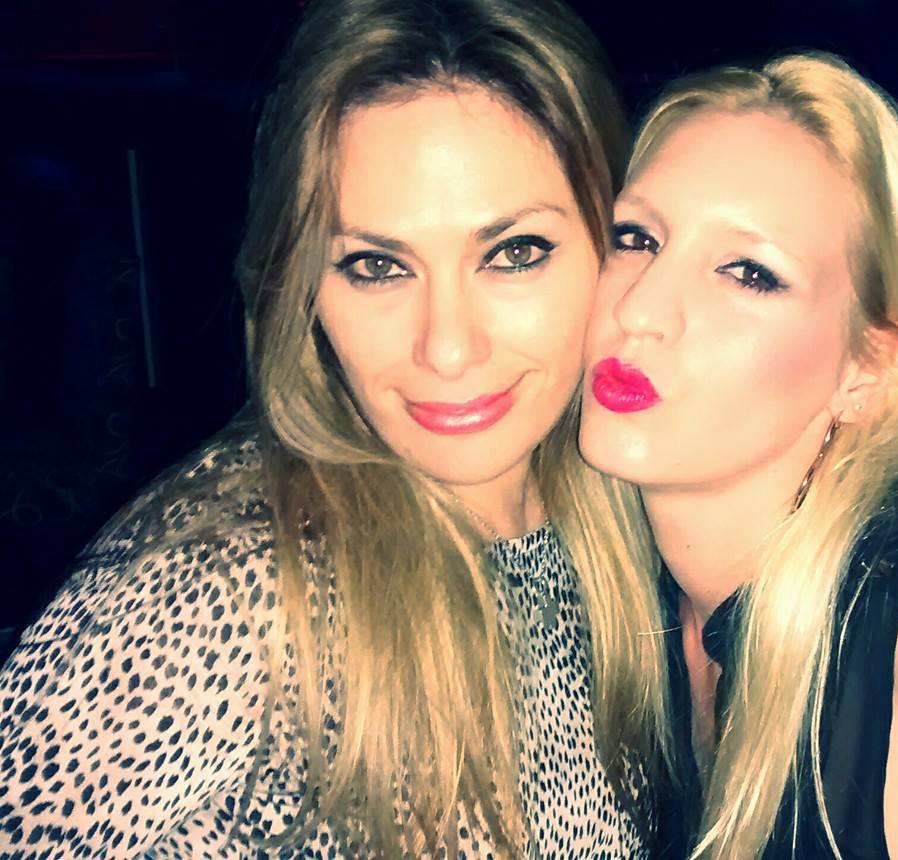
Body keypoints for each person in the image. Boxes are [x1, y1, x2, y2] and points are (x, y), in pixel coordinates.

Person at [0, 0, 674, 857]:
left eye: (514, 253)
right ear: (304, 285)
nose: (448, 349)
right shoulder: (226, 581)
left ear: (616, 250)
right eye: (376, 265)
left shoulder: (625, 521)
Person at [580, 50, 898, 859]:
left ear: (866, 370)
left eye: (749, 273)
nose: (640, 309)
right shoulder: (598, 601)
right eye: (636, 237)